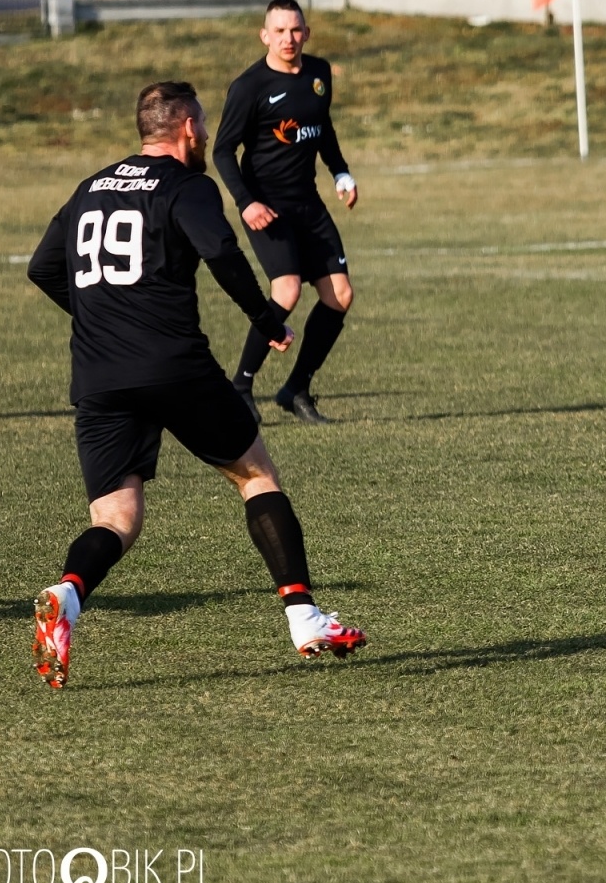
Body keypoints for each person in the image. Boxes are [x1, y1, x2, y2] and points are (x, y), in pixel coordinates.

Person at [26, 81, 367, 689]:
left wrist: (102, 316)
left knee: (116, 518)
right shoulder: (186, 184)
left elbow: (43, 267)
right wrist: (267, 319)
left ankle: (67, 597)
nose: (207, 134)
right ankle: (305, 619)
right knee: (256, 474)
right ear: (185, 126)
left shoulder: (90, 187)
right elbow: (222, 253)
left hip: (100, 375)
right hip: (172, 365)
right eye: (202, 124)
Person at [214, 0, 357, 425]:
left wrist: (341, 172)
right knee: (287, 291)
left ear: (306, 32)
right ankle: (241, 385)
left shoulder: (319, 74)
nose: (288, 39)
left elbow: (323, 128)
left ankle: (296, 389)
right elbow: (222, 151)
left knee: (340, 295)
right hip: (267, 207)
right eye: (279, 31)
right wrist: (247, 202)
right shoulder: (249, 86)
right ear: (265, 36)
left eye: (295, 30)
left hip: (307, 203)